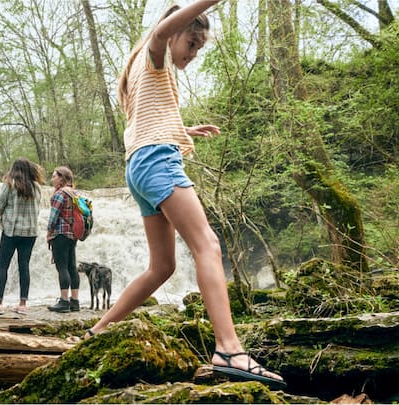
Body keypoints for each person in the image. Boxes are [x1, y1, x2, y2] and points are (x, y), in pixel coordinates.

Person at [83, 0, 286, 389]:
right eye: (191, 43)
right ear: (173, 33)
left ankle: (97, 332)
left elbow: (144, 120)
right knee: (207, 245)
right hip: (157, 162)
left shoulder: (139, 67)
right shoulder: (155, 49)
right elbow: (160, 31)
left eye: (199, 47)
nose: (193, 53)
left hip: (139, 165)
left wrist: (184, 131)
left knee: (162, 267)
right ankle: (229, 348)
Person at [0, 157, 44, 315]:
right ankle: (23, 304)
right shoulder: (36, 187)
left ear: (14, 169)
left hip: (11, 231)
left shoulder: (9, 184)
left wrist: (1, 213)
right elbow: (37, 210)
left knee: (2, 266)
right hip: (30, 232)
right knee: (24, 267)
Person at [46, 166, 81, 313]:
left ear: (61, 178)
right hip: (73, 234)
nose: (52, 179)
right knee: (72, 267)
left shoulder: (60, 194)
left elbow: (53, 216)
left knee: (62, 267)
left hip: (60, 234)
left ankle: (64, 301)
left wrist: (48, 233)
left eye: (54, 176)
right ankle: (75, 301)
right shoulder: (75, 193)